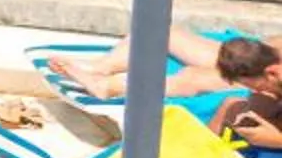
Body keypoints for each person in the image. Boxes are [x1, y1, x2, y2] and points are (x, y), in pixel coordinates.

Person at [45, 24, 275, 101]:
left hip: (270, 78)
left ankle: (106, 86)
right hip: (267, 60)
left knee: (191, 78)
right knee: (161, 30)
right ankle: (101, 67)